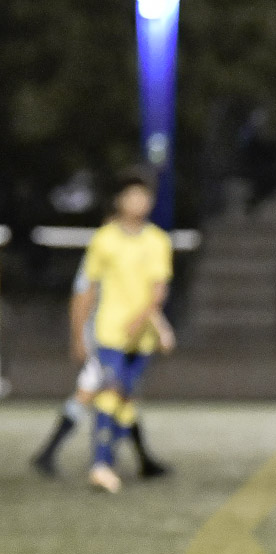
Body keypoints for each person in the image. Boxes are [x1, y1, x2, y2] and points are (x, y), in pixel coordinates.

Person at [71, 172, 175, 493]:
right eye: (131, 196)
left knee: (125, 399)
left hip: (141, 337)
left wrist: (150, 323)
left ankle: (125, 460)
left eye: (143, 197)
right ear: (119, 201)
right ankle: (101, 465)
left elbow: (158, 292)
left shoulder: (158, 241)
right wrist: (78, 333)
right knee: (110, 391)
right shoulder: (104, 239)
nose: (138, 202)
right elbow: (87, 289)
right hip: (110, 332)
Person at [29, 266, 110, 477]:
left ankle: (48, 453)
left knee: (120, 393)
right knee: (93, 391)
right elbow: (81, 299)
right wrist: (78, 338)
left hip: (113, 339)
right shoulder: (97, 259)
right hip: (102, 340)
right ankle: (49, 453)